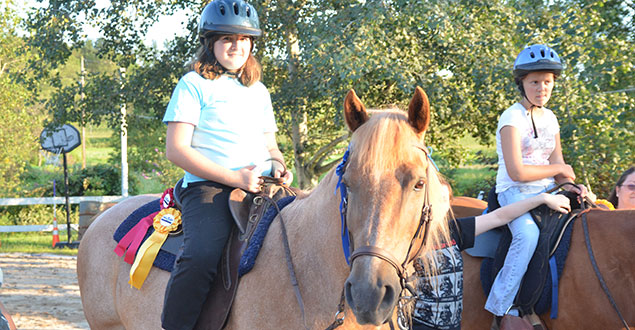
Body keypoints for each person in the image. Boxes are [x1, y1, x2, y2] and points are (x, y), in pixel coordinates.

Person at [160, 1, 292, 329]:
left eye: (244, 40)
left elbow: (270, 145)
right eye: (227, 39)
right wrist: (235, 177)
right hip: (209, 188)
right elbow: (176, 150)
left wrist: (277, 164)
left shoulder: (259, 91)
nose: (237, 47)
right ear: (211, 44)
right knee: (201, 256)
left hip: (260, 185)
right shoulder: (193, 84)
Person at [484, 44, 589, 328]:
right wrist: (560, 170)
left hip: (547, 191)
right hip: (514, 192)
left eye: (547, 82)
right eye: (534, 82)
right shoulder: (511, 118)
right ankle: (502, 306)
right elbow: (517, 172)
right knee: (527, 235)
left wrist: (573, 185)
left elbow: (559, 165)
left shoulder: (551, 118)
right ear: (522, 83)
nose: (541, 88)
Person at [412, 181, 571, 330]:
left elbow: (500, 217)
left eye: (445, 200)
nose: (441, 206)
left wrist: (541, 199)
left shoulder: (454, 231)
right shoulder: (412, 239)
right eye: (436, 199)